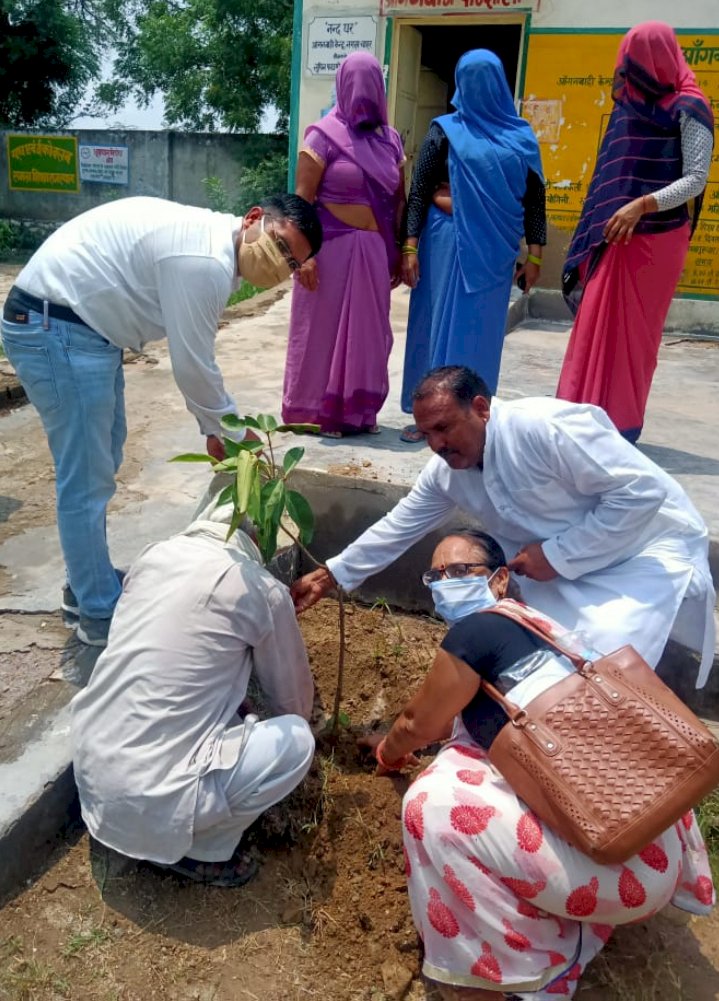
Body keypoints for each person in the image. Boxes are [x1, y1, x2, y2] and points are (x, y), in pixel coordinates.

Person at [360, 529, 715, 1000]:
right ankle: (569, 933)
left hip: (613, 869)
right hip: (651, 850)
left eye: (461, 570)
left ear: (500, 579)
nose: (445, 581)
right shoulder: (539, 633)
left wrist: (388, 753)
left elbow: (414, 724)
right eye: (436, 574)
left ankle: (495, 977)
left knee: (430, 805)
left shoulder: (476, 632)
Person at [1, 193, 322, 647]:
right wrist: (228, 431)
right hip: (55, 325)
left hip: (84, 329)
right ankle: (96, 612)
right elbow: (192, 365)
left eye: (292, 262)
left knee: (104, 455)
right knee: (86, 478)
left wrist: (216, 427)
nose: (281, 263)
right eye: (280, 244)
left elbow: (194, 362)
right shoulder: (204, 260)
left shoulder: (218, 253)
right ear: (253, 219)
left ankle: (85, 582)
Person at [292, 365, 715, 690]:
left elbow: (641, 492)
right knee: (529, 651)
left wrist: (558, 555)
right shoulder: (446, 471)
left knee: (603, 654)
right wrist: (332, 574)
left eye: (443, 428)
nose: (436, 445)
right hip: (552, 560)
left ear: (480, 408)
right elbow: (400, 525)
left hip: (640, 550)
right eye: (425, 435)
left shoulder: (542, 429)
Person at [71, 504, 315, 888]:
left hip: (92, 773)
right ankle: (199, 849)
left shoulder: (153, 557)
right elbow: (294, 706)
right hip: (154, 798)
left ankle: (160, 822)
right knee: (297, 741)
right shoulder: (258, 586)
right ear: (252, 540)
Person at [557, 22, 714, 445]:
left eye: (635, 61)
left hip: (656, 238)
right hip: (615, 235)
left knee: (634, 339)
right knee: (595, 325)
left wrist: (642, 205)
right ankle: (579, 417)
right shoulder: (629, 105)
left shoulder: (691, 106)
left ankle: (620, 428)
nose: (628, 70)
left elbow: (696, 179)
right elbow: (610, 173)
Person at [399, 50, 546, 444]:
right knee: (438, 329)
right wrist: (409, 247)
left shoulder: (521, 137)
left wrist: (535, 254)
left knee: (476, 333)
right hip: (449, 247)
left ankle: (473, 414)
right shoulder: (444, 131)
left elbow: (534, 198)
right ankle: (430, 416)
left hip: (489, 249)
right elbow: (420, 191)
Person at [282, 51, 406, 437]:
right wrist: (305, 256)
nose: (363, 93)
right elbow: (302, 199)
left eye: (371, 84)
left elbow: (398, 199)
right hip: (329, 250)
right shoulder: (322, 135)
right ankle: (316, 413)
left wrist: (401, 251)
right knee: (322, 333)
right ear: (342, 86)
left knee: (369, 335)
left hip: (373, 253)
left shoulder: (391, 141)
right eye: (356, 84)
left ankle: (359, 412)